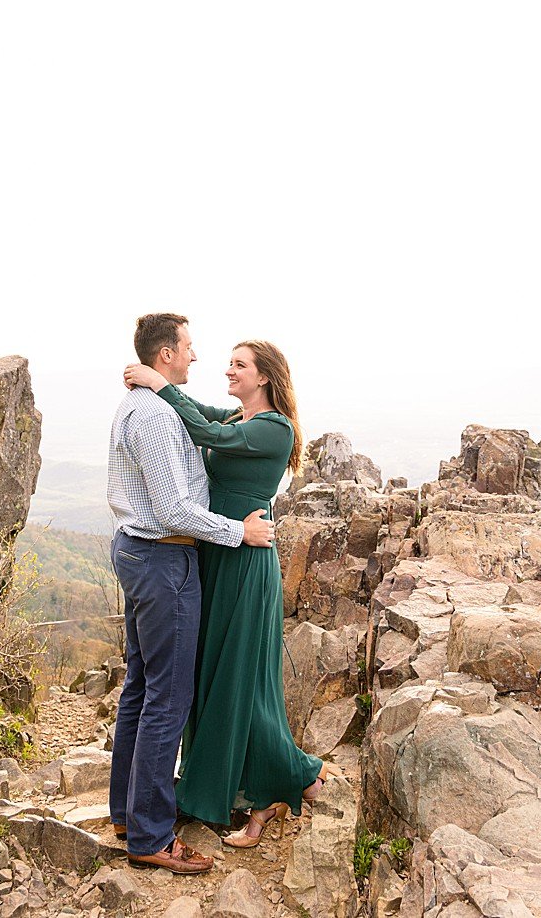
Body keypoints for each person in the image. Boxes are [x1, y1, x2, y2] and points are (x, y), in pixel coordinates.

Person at [123, 337, 344, 847]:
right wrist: (163, 390)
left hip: (245, 560)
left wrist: (158, 383)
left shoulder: (274, 429)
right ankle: (223, 784)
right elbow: (203, 414)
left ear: (264, 376)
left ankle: (280, 784)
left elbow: (198, 428)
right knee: (211, 674)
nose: (228, 370)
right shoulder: (239, 420)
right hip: (218, 552)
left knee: (240, 678)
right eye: (229, 363)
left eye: (239, 365)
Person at [107, 312, 275, 873]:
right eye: (188, 348)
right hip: (162, 558)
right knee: (166, 700)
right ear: (165, 356)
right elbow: (176, 508)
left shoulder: (148, 403)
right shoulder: (152, 414)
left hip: (143, 553)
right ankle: (151, 837)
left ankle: (130, 814)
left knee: (140, 688)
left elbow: (210, 424)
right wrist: (241, 533)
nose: (196, 357)